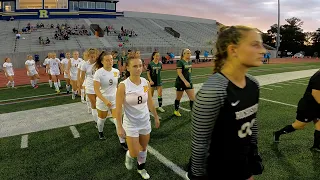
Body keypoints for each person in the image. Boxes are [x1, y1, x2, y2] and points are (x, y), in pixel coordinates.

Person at [186, 26, 266, 180]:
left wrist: (254, 154)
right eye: (255, 44)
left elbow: (252, 122)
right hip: (217, 170)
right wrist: (197, 175)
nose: (262, 50)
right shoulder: (214, 91)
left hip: (241, 164)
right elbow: (200, 143)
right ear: (233, 50)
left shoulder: (253, 84)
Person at [116, 57, 160, 179]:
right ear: (128, 68)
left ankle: (141, 169)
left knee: (143, 148)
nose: (138, 68)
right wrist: (119, 127)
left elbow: (150, 101)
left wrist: (155, 116)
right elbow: (118, 109)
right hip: (131, 124)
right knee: (135, 152)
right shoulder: (123, 86)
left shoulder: (145, 82)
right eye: (135, 66)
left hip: (145, 121)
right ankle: (129, 156)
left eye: (140, 66)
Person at [273, 70, 320, 151]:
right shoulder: (318, 76)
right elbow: (316, 95)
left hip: (317, 106)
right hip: (308, 106)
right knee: (299, 125)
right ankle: (277, 133)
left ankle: (316, 146)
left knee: (319, 125)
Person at [93, 51, 127, 149]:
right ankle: (100, 132)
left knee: (118, 120)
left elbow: (116, 86)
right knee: (102, 119)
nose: (110, 61)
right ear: (102, 61)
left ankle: (122, 142)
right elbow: (96, 90)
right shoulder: (98, 73)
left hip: (115, 99)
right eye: (107, 60)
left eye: (111, 59)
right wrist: (104, 100)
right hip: (102, 100)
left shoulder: (116, 71)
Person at [173, 49, 195, 117]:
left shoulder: (190, 62)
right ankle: (176, 110)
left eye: (190, 53)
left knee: (193, 98)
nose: (189, 54)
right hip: (181, 83)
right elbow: (179, 73)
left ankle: (193, 113)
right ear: (184, 54)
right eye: (188, 53)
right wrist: (185, 81)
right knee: (178, 98)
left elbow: (189, 72)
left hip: (189, 83)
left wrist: (189, 81)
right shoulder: (180, 62)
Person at [81, 48, 99, 125]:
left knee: (99, 103)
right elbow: (82, 77)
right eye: (91, 56)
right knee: (94, 103)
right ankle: (96, 121)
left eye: (94, 56)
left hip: (99, 85)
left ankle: (99, 118)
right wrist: (80, 87)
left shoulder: (99, 63)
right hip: (89, 85)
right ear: (88, 56)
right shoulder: (85, 64)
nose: (93, 58)